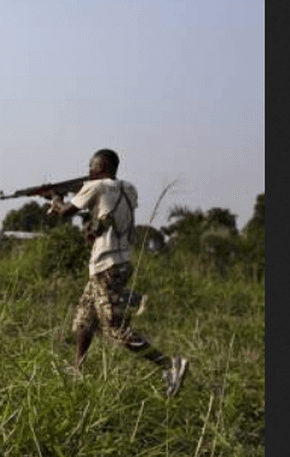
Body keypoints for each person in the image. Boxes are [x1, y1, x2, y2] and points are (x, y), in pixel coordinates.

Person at [46, 149, 188, 397]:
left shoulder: (97, 186)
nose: (88, 172)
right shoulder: (129, 188)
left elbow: (66, 212)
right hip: (115, 262)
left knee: (113, 328)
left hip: (107, 264)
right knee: (84, 318)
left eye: (91, 167)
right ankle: (77, 369)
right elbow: (104, 214)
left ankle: (169, 365)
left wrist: (55, 198)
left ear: (100, 166)